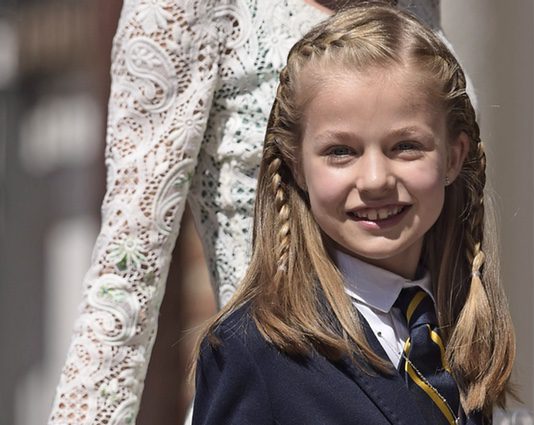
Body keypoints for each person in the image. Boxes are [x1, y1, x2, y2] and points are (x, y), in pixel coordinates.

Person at [48, 1, 453, 424]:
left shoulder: (417, 7)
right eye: (340, 151)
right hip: (281, 384)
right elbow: (127, 264)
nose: (375, 179)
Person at [192, 4, 516, 425]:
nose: (376, 179)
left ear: (455, 157)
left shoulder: (464, 334)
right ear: (295, 165)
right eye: (341, 152)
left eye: (405, 146)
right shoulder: (254, 350)